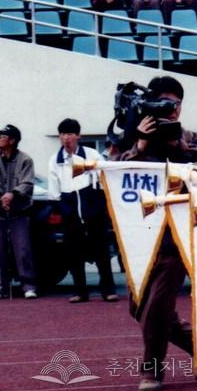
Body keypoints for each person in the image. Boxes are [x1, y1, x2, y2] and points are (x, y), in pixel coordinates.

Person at [114, 76, 197, 391]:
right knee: (138, 307)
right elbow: (112, 171)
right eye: (163, 103)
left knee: (156, 308)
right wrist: (138, 146)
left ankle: (151, 370)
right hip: (140, 238)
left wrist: (180, 148)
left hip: (176, 238)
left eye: (174, 104)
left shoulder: (192, 139)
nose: (170, 110)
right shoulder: (134, 136)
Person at [46, 118, 117, 303]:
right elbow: (54, 192)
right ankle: (80, 291)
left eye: (70, 133)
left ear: (78, 135)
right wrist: (64, 211)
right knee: (74, 253)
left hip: (92, 207)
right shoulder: (55, 161)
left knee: (101, 251)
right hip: (70, 209)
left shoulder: (92, 155)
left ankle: (108, 290)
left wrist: (96, 207)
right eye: (62, 134)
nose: (66, 138)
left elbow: (104, 181)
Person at [0, 124, 36, 299]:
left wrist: (12, 195)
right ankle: (0, 287)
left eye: (2, 136)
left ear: (12, 140)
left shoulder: (25, 160)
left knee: (22, 250)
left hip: (19, 211)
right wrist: (0, 197)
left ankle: (28, 286)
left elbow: (27, 183)